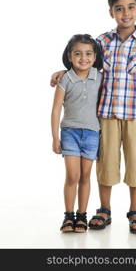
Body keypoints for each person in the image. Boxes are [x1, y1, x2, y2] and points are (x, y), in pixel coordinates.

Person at [50, 0, 136, 234]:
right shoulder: (102, 42)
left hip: (135, 116)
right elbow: (85, 64)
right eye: (119, 8)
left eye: (131, 7)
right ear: (111, 12)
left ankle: (135, 211)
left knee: (135, 164)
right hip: (106, 116)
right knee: (106, 164)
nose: (125, 13)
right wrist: (62, 72)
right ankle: (104, 209)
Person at [51, 34, 103, 233]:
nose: (84, 58)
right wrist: (55, 137)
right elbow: (56, 109)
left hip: (91, 133)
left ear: (95, 56)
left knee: (86, 175)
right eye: (78, 54)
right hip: (70, 132)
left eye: (89, 53)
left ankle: (82, 216)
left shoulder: (99, 77)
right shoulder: (65, 79)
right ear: (70, 56)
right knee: (72, 175)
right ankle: (68, 216)